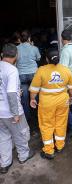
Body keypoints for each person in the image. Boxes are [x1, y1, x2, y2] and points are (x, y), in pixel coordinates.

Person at [29, 48, 72, 160]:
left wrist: (32, 99)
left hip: (47, 103)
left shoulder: (41, 70)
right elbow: (71, 87)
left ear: (46, 59)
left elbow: (34, 88)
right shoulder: (66, 70)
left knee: (46, 125)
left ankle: (49, 151)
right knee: (61, 123)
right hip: (62, 101)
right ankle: (60, 146)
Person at [0, 44, 34, 174]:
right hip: (10, 112)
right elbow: (10, 93)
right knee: (21, 134)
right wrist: (15, 113)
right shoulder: (12, 70)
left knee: (3, 137)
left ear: (3, 54)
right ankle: (24, 156)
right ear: (16, 55)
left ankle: (5, 163)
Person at [16, 30, 41, 135]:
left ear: (20, 39)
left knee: (25, 100)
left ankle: (29, 124)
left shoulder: (16, 49)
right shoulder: (34, 48)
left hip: (21, 75)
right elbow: (38, 58)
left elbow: (15, 60)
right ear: (29, 38)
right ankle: (38, 121)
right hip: (33, 75)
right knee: (35, 97)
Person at [60, 29, 72, 137]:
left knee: (66, 106)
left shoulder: (65, 51)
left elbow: (63, 69)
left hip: (67, 83)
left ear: (62, 39)